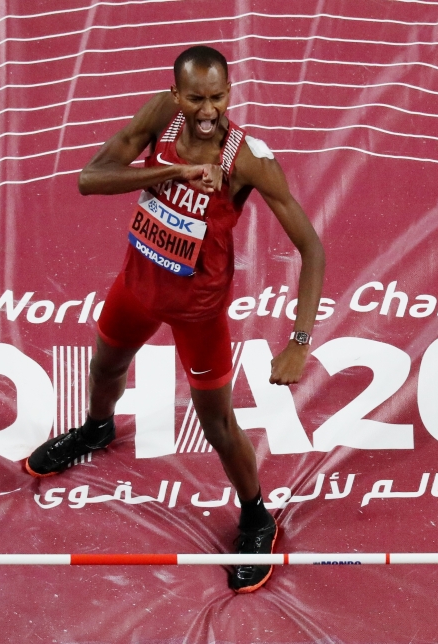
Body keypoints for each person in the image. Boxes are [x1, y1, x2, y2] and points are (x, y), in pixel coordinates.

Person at [25, 45, 325, 594]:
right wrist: (179, 169)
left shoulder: (249, 159)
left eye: (218, 96)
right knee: (105, 368)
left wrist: (299, 342)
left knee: (218, 426)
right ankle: (97, 429)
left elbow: (312, 248)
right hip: (136, 287)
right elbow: (91, 178)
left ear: (229, 92)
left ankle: (257, 516)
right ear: (175, 95)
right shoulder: (160, 118)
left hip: (198, 313)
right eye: (195, 98)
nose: (208, 110)